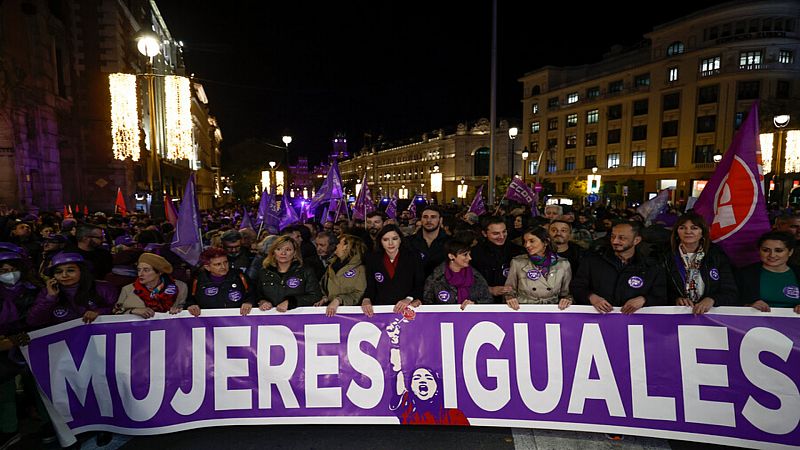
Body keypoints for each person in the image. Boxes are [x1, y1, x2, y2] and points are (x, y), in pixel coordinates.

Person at [386, 318, 469, 425]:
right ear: (410, 387)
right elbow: (396, 370)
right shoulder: (407, 408)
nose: (422, 380)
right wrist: (394, 342)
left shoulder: (454, 415)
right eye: (416, 378)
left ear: (437, 387)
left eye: (428, 378)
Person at [571, 221, 666, 313]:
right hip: (598, 320)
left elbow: (661, 295)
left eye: (622, 238)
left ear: (636, 240)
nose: (615, 241)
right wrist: (591, 297)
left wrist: (644, 300)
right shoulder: (592, 261)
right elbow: (577, 287)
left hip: (634, 323)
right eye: (613, 237)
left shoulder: (651, 266)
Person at [0, 251, 39, 450]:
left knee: (38, 387)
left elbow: (37, 316)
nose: (9, 274)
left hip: (30, 344)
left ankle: (46, 422)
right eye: (4, 270)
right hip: (5, 352)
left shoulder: (34, 290)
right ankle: (10, 430)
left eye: (13, 269)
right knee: (5, 391)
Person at [664, 212, 737, 314]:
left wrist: (712, 299)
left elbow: (730, 291)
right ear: (676, 232)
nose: (688, 232)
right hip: (678, 315)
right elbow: (660, 290)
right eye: (682, 228)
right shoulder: (665, 256)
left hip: (710, 317)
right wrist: (675, 299)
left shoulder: (717, 255)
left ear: (702, 232)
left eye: (694, 228)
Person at [27, 252, 119, 328]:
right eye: (58, 272)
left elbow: (119, 312)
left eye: (70, 270)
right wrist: (50, 298)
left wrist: (99, 312)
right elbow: (33, 321)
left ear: (82, 271)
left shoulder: (104, 288)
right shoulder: (47, 292)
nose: (64, 275)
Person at [362, 225, 425, 316]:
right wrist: (366, 299)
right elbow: (371, 286)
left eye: (394, 239)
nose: (390, 243)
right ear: (380, 241)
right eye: (386, 239)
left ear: (400, 240)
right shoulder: (373, 259)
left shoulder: (413, 257)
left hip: (406, 308)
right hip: (382, 309)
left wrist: (409, 298)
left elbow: (419, 283)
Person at [504, 227, 572, 310]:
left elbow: (567, 293)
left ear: (545, 242)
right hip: (525, 309)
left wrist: (567, 300)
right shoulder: (518, 263)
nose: (527, 245)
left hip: (553, 310)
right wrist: (509, 297)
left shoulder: (563, 264)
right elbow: (509, 290)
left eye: (532, 241)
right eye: (525, 242)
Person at [736, 231, 800, 314]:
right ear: (759, 251)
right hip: (753, 324)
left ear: (790, 252)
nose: (772, 255)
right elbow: (730, 300)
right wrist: (748, 305)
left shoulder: (797, 273)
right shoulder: (744, 274)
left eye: (778, 250)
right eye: (766, 250)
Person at [256, 236, 322, 312]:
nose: (283, 253)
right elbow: (257, 294)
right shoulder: (264, 272)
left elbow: (315, 295)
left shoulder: (305, 271)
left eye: (288, 250)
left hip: (297, 317)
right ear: (273, 252)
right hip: (270, 318)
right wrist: (262, 301)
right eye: (279, 249)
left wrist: (292, 302)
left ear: (294, 253)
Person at [114, 253, 188, 318]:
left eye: (146, 270)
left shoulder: (180, 287)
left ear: (159, 272)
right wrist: (133, 311)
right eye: (139, 270)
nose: (140, 274)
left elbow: (185, 308)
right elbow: (116, 313)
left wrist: (179, 310)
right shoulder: (128, 289)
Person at [423, 239, 492, 308]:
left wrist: (475, 304)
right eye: (465, 255)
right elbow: (427, 303)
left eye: (469, 254)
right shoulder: (436, 278)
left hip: (472, 318)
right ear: (451, 256)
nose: (470, 258)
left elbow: (488, 299)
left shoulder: (476, 277)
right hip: (444, 318)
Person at [469, 216, 524, 303]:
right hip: (485, 303)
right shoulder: (474, 254)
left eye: (504, 232)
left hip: (514, 302)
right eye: (496, 233)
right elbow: (468, 282)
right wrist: (490, 290)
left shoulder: (518, 251)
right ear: (484, 233)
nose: (502, 236)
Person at [187, 247, 254, 316]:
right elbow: (189, 300)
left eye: (225, 262)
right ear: (207, 267)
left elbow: (252, 295)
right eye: (218, 264)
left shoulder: (240, 277)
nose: (223, 267)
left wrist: (249, 302)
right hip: (208, 323)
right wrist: (191, 305)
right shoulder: (197, 281)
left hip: (239, 322)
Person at [315, 234, 367, 316]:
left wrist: (339, 300)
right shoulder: (331, 265)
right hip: (330, 313)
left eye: (339, 243)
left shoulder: (360, 268)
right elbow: (322, 286)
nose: (336, 245)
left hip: (352, 315)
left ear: (346, 247)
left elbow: (359, 294)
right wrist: (325, 298)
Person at [408, 206, 451, 277]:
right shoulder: (408, 242)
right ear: (421, 220)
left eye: (433, 217)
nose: (428, 220)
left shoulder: (450, 243)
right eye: (425, 217)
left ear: (440, 220)